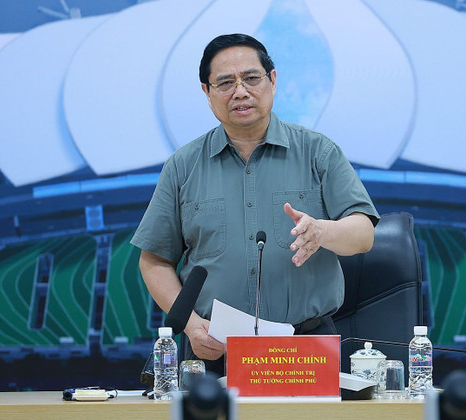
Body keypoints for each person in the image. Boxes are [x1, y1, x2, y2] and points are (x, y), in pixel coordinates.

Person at [131, 33, 379, 375]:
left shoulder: (317, 152)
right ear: (207, 92)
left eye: (251, 79)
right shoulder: (183, 166)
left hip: (305, 350)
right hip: (214, 351)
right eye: (225, 83)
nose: (240, 91)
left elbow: (363, 233)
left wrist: (322, 231)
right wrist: (190, 325)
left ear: (272, 81)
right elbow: (155, 260)